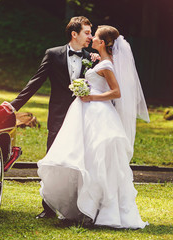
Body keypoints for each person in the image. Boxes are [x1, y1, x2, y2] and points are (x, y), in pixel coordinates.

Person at [37, 25, 150, 229]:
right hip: (89, 113)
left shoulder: (106, 64)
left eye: (95, 36)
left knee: (99, 160)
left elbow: (116, 93)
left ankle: (101, 210)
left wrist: (91, 96)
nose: (92, 39)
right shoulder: (100, 61)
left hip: (99, 113)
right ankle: (84, 208)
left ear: (104, 43)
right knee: (88, 158)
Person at [2, 16, 96, 218]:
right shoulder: (53, 54)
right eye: (87, 32)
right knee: (53, 160)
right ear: (74, 34)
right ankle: (48, 208)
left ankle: (78, 207)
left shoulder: (92, 57)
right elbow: (36, 81)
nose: (91, 36)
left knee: (81, 161)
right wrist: (14, 105)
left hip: (83, 117)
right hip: (59, 115)